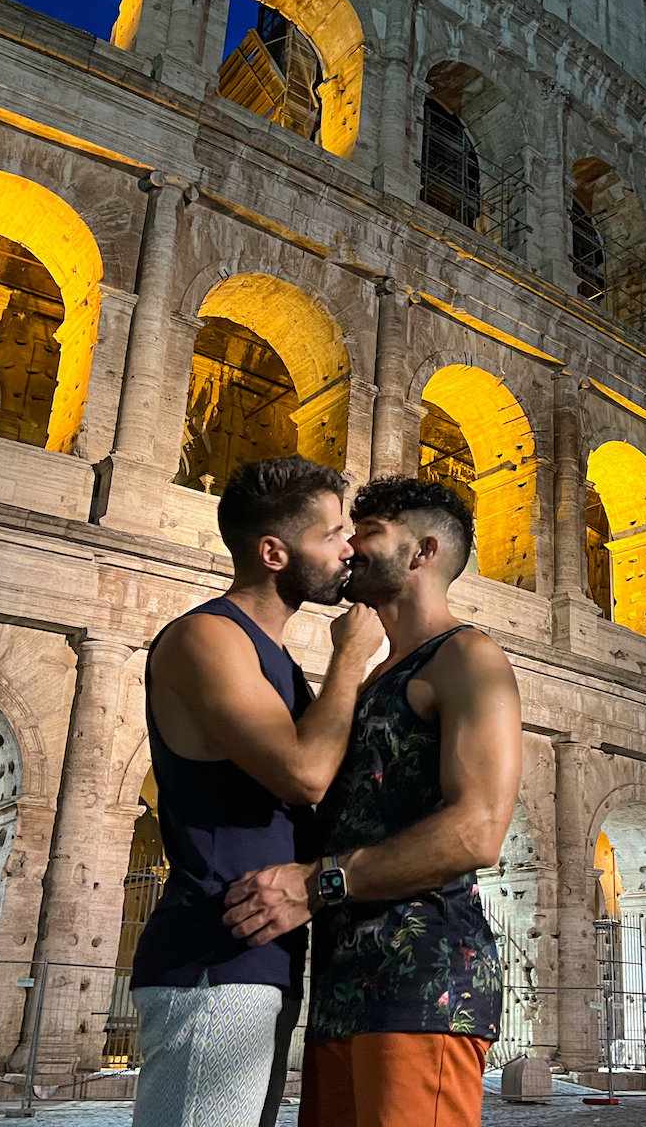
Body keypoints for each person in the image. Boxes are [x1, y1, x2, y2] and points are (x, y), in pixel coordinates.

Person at [225, 476, 522, 1126]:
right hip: (341, 996)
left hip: (422, 987)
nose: (350, 545)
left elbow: (477, 831)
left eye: (371, 531)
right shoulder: (371, 676)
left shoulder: (467, 656)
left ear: (424, 553)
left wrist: (315, 884)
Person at [130, 457, 384, 1127]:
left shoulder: (277, 663)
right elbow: (303, 774)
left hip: (260, 956)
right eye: (331, 534)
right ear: (274, 552)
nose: (347, 549)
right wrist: (352, 660)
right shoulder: (206, 636)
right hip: (214, 954)